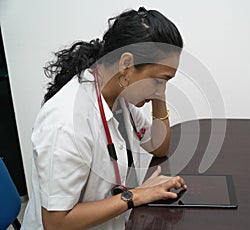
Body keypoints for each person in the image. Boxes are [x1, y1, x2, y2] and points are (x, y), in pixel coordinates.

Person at [22, 7, 187, 230]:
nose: (162, 89)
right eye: (160, 80)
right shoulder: (65, 121)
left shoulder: (119, 95)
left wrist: (158, 89)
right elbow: (56, 222)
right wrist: (134, 196)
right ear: (126, 64)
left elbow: (159, 147)